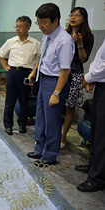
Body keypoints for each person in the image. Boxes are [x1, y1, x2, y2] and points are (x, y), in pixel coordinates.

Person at [26, 3, 75, 166]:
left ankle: (50, 155)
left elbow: (65, 71)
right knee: (40, 118)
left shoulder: (64, 40)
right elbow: (43, 58)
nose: (40, 26)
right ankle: (40, 149)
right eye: (38, 22)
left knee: (52, 121)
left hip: (55, 83)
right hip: (43, 79)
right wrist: (34, 72)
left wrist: (56, 93)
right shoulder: (47, 35)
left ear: (56, 20)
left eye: (44, 22)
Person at [0, 16, 41, 135]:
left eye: (20, 26)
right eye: (16, 26)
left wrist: (33, 71)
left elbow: (41, 58)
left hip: (27, 74)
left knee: (24, 101)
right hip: (13, 73)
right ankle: (8, 125)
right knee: (10, 101)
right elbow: (0, 54)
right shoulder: (11, 41)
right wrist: (6, 66)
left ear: (28, 27)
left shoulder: (35, 43)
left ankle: (22, 124)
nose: (18, 29)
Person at [60, 7, 94, 149]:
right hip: (61, 73)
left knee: (70, 107)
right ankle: (52, 135)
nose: (73, 17)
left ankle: (62, 138)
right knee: (56, 105)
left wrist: (79, 44)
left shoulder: (87, 37)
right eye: (71, 15)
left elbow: (83, 59)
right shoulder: (64, 34)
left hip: (75, 74)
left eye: (77, 15)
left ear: (83, 18)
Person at [76, 39, 105, 192]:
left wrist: (87, 78)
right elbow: (98, 58)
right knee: (96, 131)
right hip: (100, 83)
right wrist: (91, 77)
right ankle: (94, 165)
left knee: (102, 135)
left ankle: (98, 178)